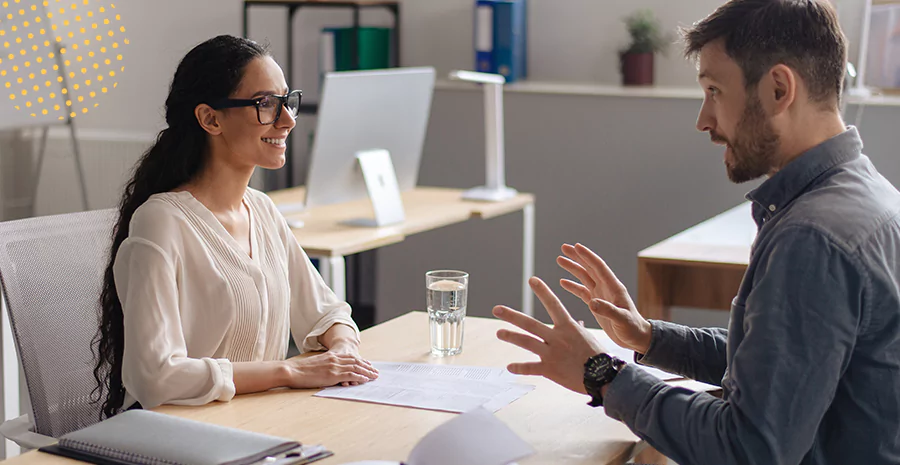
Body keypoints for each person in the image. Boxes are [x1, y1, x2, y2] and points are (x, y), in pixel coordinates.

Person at [493, 1, 900, 464]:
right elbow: (786, 364)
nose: (704, 119)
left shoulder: (812, 238)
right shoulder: (867, 194)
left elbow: (747, 450)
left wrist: (600, 374)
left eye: (714, 91)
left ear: (779, 88)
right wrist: (648, 337)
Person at [92, 35, 378, 419]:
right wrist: (290, 370)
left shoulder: (262, 210)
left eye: (286, 101)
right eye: (265, 104)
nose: (288, 120)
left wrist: (343, 348)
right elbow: (156, 376)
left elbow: (327, 314)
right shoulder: (161, 223)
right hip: (183, 436)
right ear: (210, 119)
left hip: (261, 423)